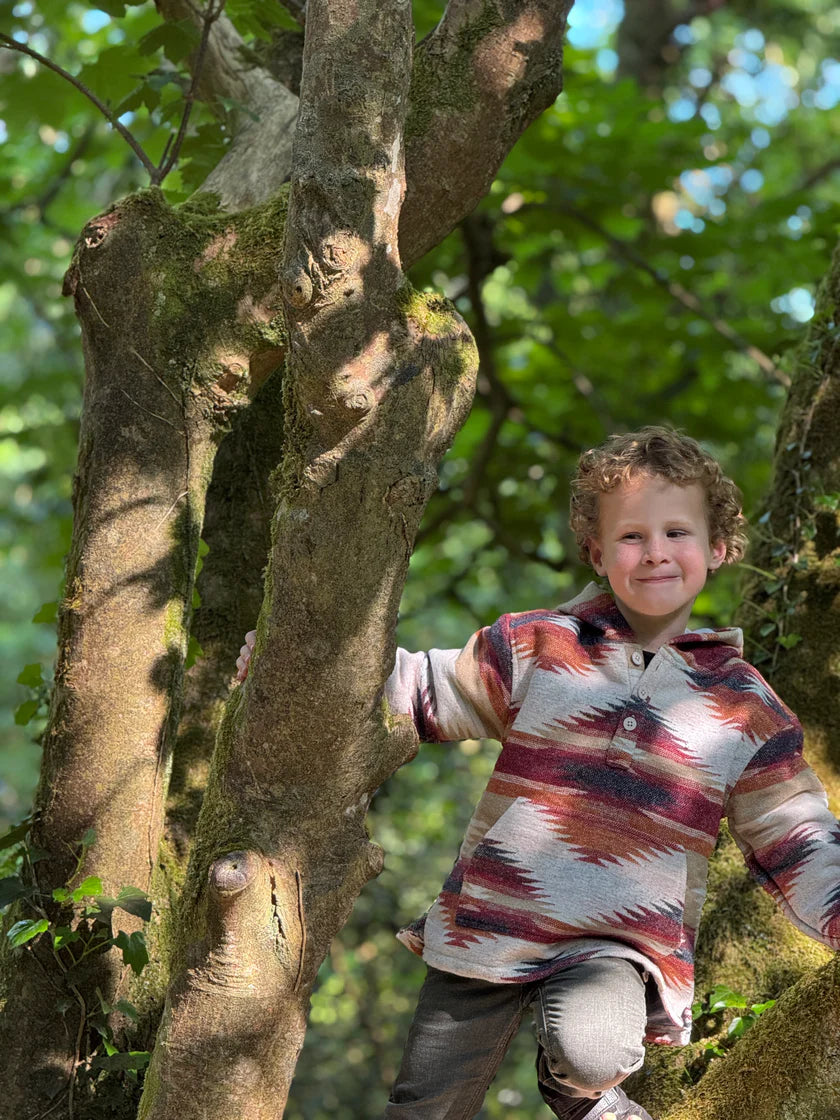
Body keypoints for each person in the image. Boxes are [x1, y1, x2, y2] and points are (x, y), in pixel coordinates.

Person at [236, 426, 840, 1120]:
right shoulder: (541, 646)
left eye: (677, 532)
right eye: (631, 536)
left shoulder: (743, 705)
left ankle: (580, 1095)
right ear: (598, 553)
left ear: (720, 547)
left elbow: (793, 831)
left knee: (592, 1051)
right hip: (491, 918)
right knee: (424, 1107)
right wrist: (295, 669)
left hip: (617, 940)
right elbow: (423, 686)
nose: (655, 552)